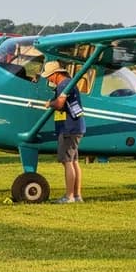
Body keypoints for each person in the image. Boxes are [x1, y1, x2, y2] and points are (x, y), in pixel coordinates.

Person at [42, 61, 86, 203]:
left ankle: (69, 196)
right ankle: (77, 195)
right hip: (75, 127)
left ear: (56, 74)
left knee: (67, 162)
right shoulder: (69, 83)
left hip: (68, 128)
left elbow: (60, 104)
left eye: (49, 76)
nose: (49, 79)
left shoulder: (63, 85)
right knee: (73, 162)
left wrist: (50, 103)